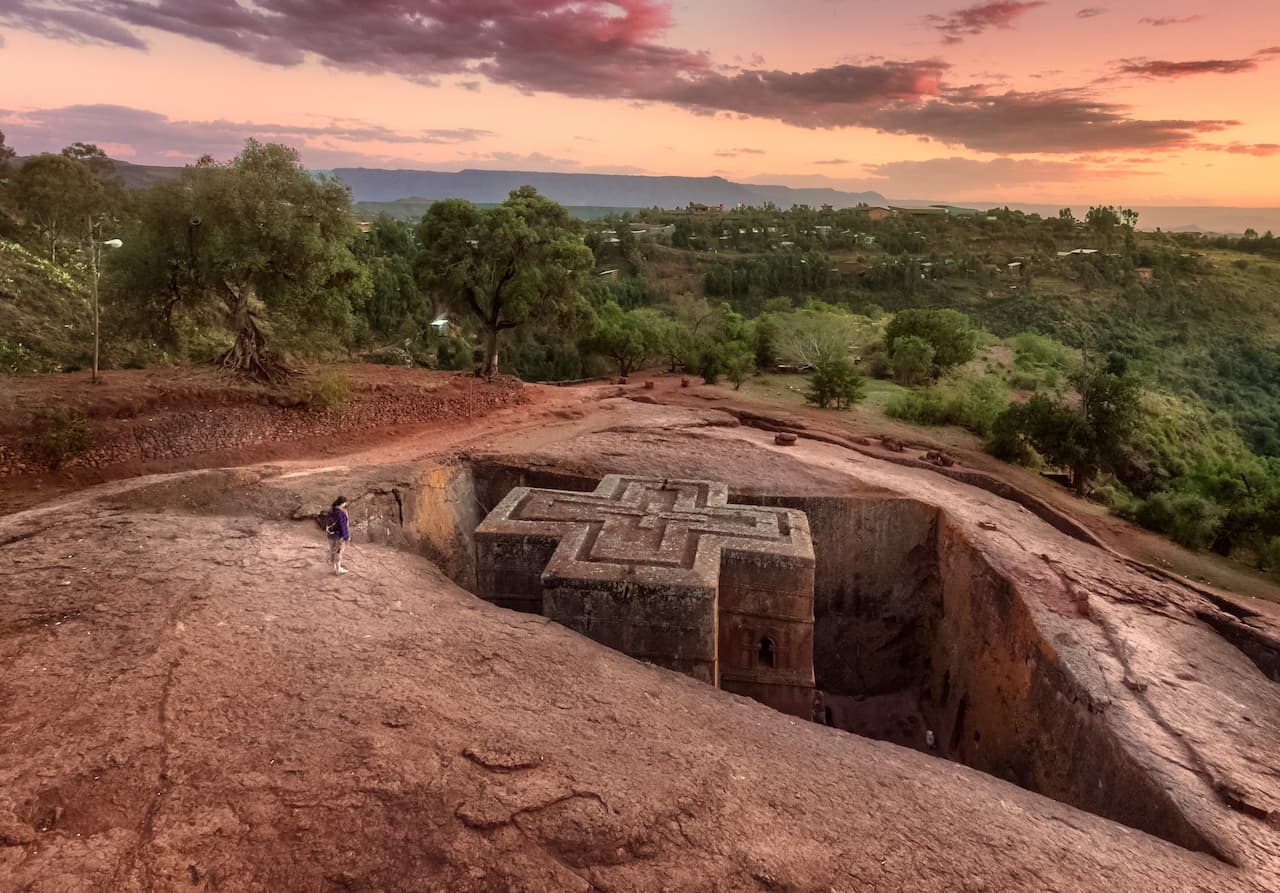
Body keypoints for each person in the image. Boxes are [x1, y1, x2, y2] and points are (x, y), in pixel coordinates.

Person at [328, 496, 351, 575]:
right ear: (342, 503)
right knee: (338, 552)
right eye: (345, 503)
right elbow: (343, 526)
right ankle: (338, 569)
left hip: (330, 534)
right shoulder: (342, 513)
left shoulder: (331, 510)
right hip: (339, 536)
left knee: (332, 550)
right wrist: (346, 537)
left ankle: (333, 566)